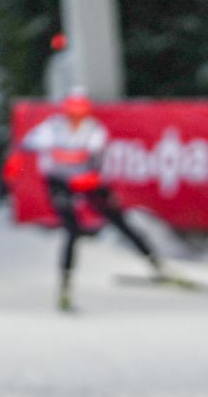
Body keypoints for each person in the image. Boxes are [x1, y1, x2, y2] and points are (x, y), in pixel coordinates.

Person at [19, 90, 162, 311]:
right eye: (73, 113)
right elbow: (29, 142)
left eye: (80, 114)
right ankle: (65, 286)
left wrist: (92, 176)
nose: (76, 119)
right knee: (72, 229)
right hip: (60, 182)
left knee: (118, 219)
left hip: (86, 180)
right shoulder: (54, 127)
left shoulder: (93, 129)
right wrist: (46, 149)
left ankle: (154, 263)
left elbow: (97, 158)